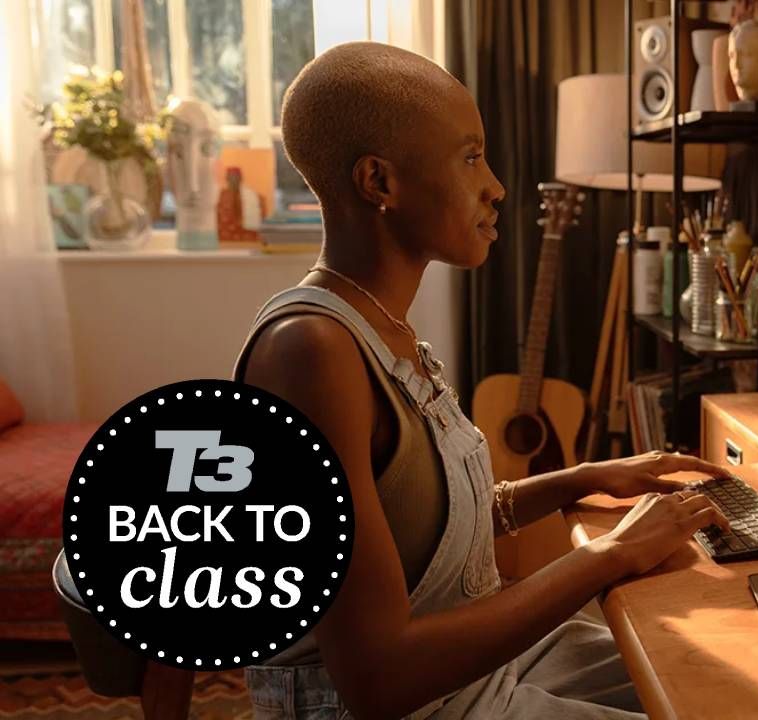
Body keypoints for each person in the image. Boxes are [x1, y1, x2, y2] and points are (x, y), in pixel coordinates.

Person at [233, 42, 731, 719]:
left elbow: (437, 524)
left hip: (471, 673)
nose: (495, 185)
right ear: (379, 183)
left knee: (717, 676)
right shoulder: (311, 354)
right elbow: (377, 679)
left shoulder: (383, 328)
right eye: (470, 158)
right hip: (418, 702)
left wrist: (585, 477)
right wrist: (610, 553)